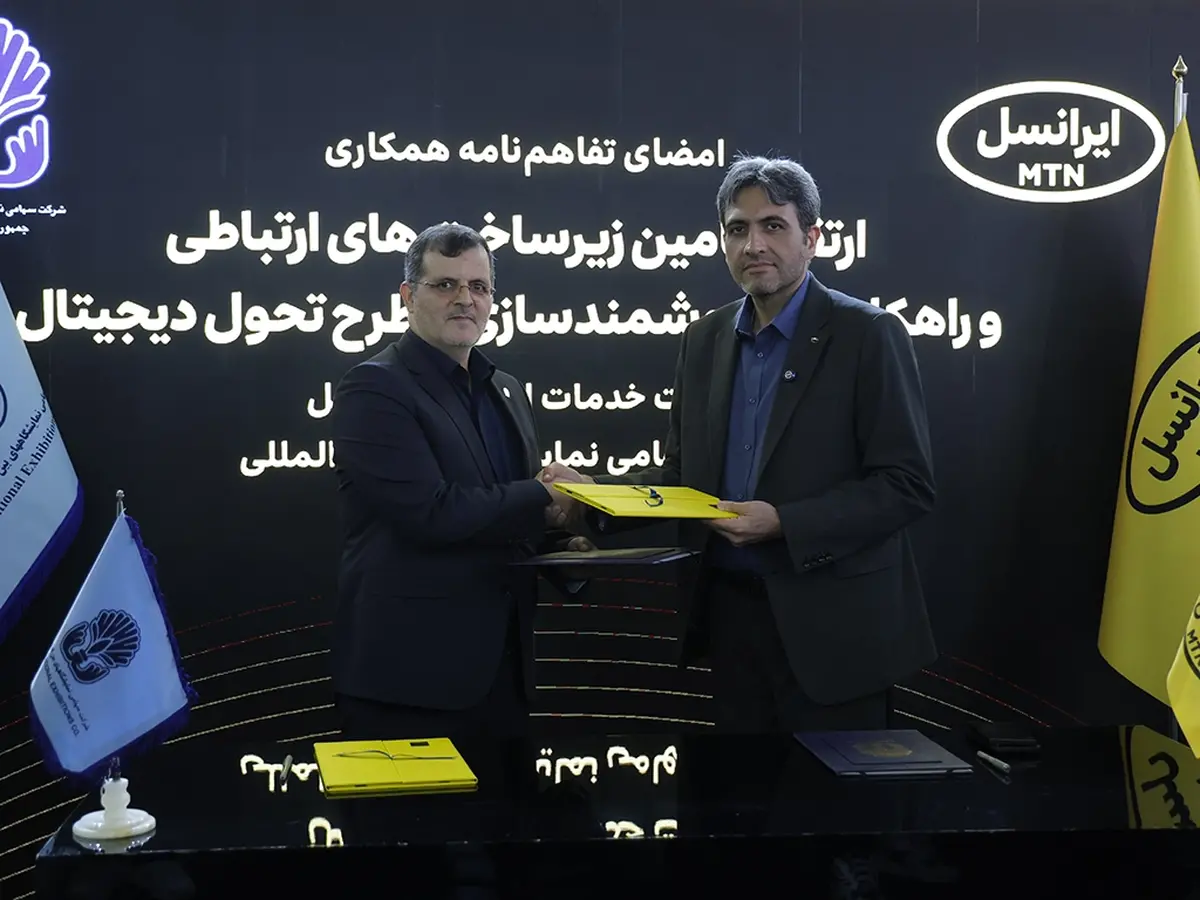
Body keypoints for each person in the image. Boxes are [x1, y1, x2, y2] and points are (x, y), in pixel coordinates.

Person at [543, 155, 937, 736]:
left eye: (773, 225)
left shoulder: (868, 334)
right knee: (738, 790)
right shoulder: (703, 339)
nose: (754, 245)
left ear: (812, 238)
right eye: (737, 229)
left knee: (833, 798)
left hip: (837, 633)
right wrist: (592, 496)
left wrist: (784, 523)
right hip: (729, 621)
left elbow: (906, 486)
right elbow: (682, 479)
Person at [330, 221, 587, 742]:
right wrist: (543, 493)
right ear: (408, 296)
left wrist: (567, 542)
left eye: (479, 286)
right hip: (408, 682)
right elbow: (432, 512)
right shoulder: (374, 388)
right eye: (445, 284)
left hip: (505, 674)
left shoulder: (506, 390)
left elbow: (508, 518)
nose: (465, 299)